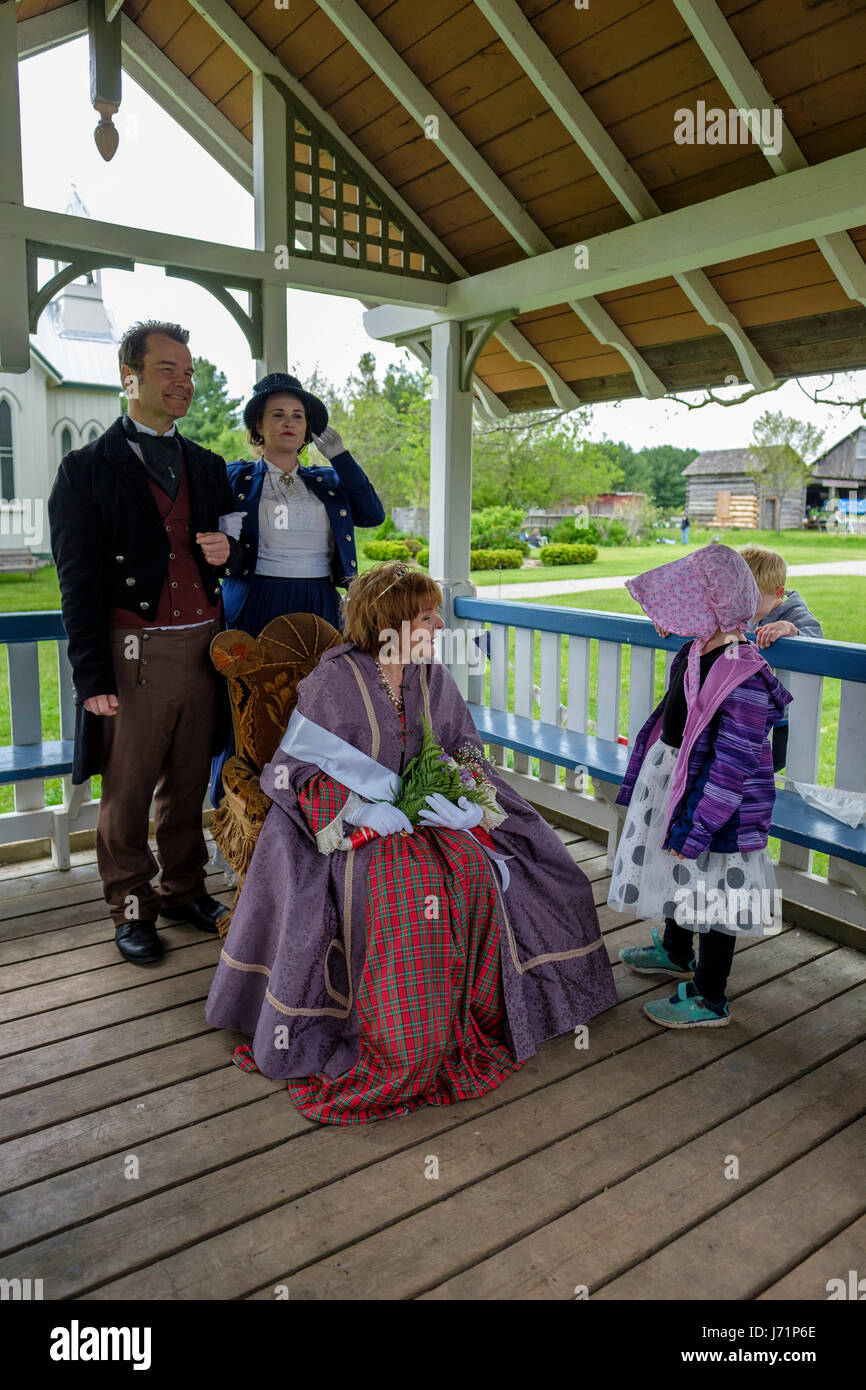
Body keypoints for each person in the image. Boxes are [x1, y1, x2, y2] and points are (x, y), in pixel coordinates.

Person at [205, 560, 617, 1123]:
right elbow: (291, 771)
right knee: (405, 888)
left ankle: (490, 1013)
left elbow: (463, 747)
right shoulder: (333, 680)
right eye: (428, 616)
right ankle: (408, 1043)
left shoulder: (432, 675)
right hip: (343, 825)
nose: (440, 627)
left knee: (501, 868)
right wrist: (359, 810)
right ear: (391, 620)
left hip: (425, 813)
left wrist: (470, 797)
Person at [48, 321, 247, 964]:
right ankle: (132, 907)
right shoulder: (84, 470)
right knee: (128, 793)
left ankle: (186, 890)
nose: (182, 382)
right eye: (167, 369)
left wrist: (229, 550)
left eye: (188, 371)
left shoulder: (210, 467)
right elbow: (76, 583)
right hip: (131, 655)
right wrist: (92, 678)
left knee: (188, 783)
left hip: (204, 647)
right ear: (128, 377)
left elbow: (236, 553)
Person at [608, 545, 792, 1028]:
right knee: (682, 875)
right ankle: (674, 949)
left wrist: (696, 826)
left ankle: (711, 996)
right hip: (678, 784)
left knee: (713, 893)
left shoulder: (743, 677)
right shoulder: (696, 651)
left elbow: (731, 767)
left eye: (679, 600)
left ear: (709, 607)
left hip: (720, 807)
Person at [210, 373, 385, 805]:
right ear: (258, 427)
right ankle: (239, 818)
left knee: (316, 709)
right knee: (248, 709)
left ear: (308, 428)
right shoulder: (236, 479)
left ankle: (312, 809)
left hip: (320, 604)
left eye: (298, 415)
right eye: (277, 415)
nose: (289, 422)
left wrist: (341, 454)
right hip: (257, 601)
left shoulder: (326, 480)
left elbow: (372, 513)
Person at [740, 545, 823, 772]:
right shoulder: (745, 613)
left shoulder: (794, 614)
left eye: (753, 598)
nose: (745, 604)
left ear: (779, 592)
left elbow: (817, 640)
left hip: (781, 721)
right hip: (747, 713)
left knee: (760, 770)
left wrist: (792, 629)